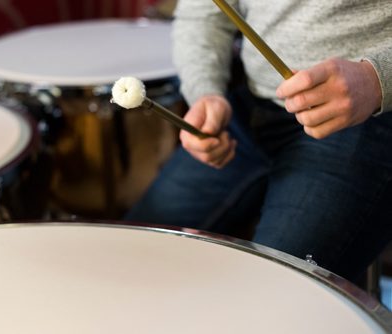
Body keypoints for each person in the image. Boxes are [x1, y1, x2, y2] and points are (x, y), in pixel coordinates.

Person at [125, 0, 392, 282]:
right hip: (250, 108)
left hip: (367, 118)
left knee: (277, 291)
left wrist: (376, 81)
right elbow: (201, 14)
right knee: (131, 257)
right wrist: (205, 92)